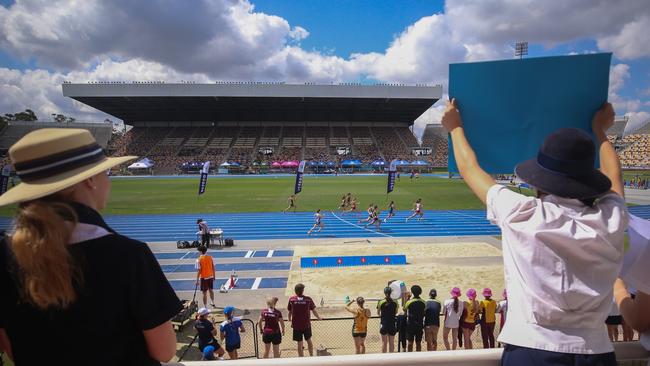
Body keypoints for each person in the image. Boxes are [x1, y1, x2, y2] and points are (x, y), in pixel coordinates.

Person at [442, 100, 627, 365]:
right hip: (596, 351)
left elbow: (470, 168)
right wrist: (600, 132)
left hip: (532, 347)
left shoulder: (522, 213)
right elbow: (614, 177)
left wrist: (455, 127)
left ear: (540, 180)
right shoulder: (610, 218)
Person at [0, 128, 181, 364]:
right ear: (89, 180)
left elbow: (12, 348)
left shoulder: (5, 256)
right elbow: (164, 351)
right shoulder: (128, 256)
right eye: (105, 172)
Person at [287, 283, 322, 357]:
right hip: (306, 325)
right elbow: (314, 310)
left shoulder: (292, 300)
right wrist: (318, 317)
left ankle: (301, 359)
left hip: (296, 325)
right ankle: (311, 356)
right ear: (302, 291)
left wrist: (289, 320)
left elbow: (290, 312)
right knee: (309, 340)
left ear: (295, 291)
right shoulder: (308, 299)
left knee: (299, 343)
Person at [403, 285, 426, 352]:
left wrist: (408, 298)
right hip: (419, 324)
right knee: (418, 343)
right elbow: (424, 312)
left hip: (411, 325)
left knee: (410, 343)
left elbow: (404, 309)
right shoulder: (423, 302)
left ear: (412, 292)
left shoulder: (409, 302)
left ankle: (410, 357)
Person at [377, 286, 398, 353]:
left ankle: (384, 359)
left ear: (384, 293)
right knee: (391, 343)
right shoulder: (395, 302)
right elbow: (396, 312)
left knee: (384, 343)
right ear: (391, 293)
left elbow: (378, 313)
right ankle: (391, 359)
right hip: (392, 324)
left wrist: (383, 316)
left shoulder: (381, 302)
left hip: (384, 324)